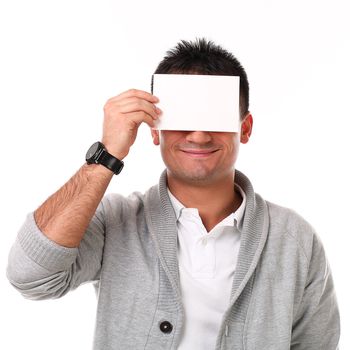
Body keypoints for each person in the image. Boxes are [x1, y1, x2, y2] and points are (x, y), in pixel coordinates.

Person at [6, 38, 340, 350]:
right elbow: (31, 276)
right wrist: (106, 155)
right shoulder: (116, 222)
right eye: (184, 118)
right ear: (154, 130)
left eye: (215, 118)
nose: (198, 135)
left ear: (246, 128)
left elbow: (317, 343)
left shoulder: (295, 238)